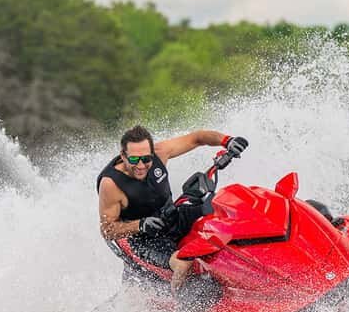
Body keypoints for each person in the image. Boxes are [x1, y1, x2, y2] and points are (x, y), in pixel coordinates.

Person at [97, 125, 248, 297]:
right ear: (123, 156)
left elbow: (198, 138)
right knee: (183, 262)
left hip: (174, 216)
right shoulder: (111, 184)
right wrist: (140, 225)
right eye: (133, 160)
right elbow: (107, 229)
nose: (140, 166)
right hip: (147, 239)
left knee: (223, 209)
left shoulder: (160, 153)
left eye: (146, 159)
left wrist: (227, 141)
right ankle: (179, 299)